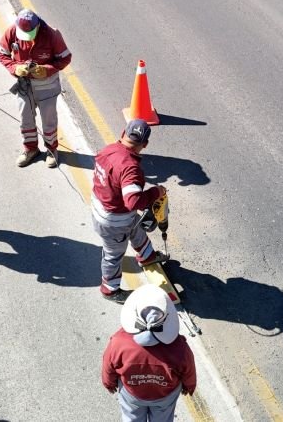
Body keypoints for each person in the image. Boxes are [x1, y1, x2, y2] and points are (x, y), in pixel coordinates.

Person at [91, 119, 169, 303]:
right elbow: (133, 201)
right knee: (113, 254)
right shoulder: (130, 168)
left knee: (135, 226)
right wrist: (155, 192)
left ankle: (147, 256)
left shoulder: (108, 149)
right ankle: (110, 289)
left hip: (103, 208)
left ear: (123, 133)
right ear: (145, 144)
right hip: (113, 222)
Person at [102, 284, 196, 422]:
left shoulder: (118, 341)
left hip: (132, 393)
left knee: (131, 417)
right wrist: (189, 386)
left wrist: (109, 383)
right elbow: (189, 370)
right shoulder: (179, 347)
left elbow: (108, 365)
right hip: (165, 396)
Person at [0, 9, 72, 168]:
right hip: (24, 86)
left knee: (49, 121)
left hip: (47, 87)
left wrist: (47, 69)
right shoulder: (12, 31)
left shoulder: (52, 34)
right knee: (25, 119)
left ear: (37, 27)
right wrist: (15, 68)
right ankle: (30, 149)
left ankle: (52, 150)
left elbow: (65, 58)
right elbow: (2, 54)